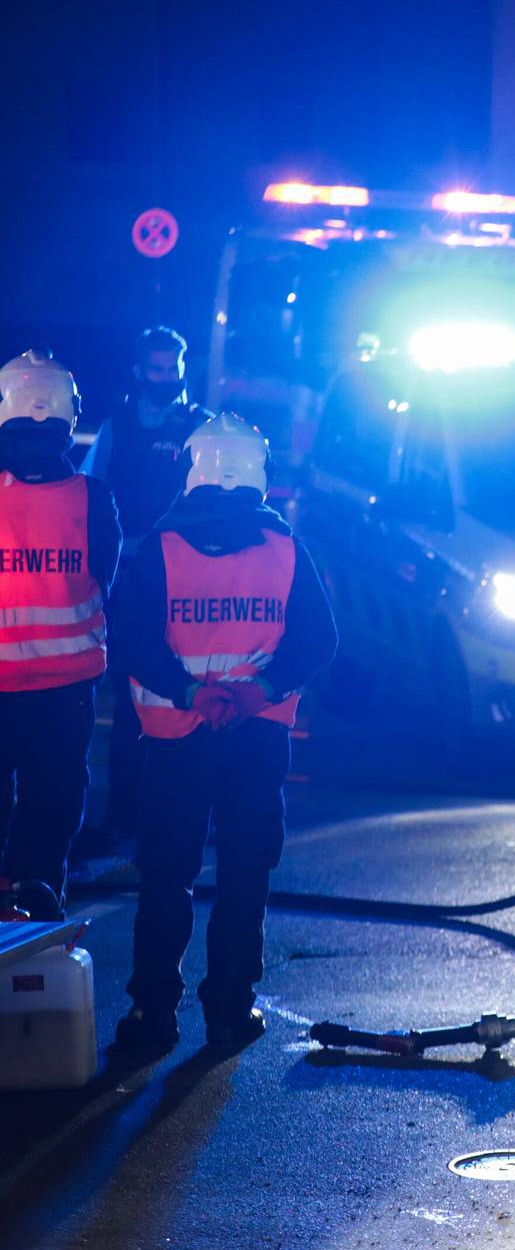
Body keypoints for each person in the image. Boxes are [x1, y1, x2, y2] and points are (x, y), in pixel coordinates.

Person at [110, 414, 336, 1055]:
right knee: (244, 873)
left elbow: (134, 641)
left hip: (177, 735)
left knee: (166, 876)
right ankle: (231, 1014)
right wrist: (258, 691)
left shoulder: (160, 546)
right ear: (258, 470)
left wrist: (191, 694)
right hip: (257, 737)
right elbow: (319, 639)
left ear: (192, 469)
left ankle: (153, 1017)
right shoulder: (286, 547)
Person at [0, 352, 121, 916]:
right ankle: (41, 898)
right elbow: (107, 577)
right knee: (55, 801)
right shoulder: (94, 500)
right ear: (70, 419)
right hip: (65, 686)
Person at [82, 327, 211, 842]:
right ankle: (121, 817)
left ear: (183, 369)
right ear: (139, 371)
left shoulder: (202, 428)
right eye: (155, 369)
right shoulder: (117, 428)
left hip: (186, 584)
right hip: (129, 582)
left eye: (171, 369)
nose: (164, 378)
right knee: (131, 698)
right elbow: (90, 494)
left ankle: (181, 815)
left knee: (181, 697)